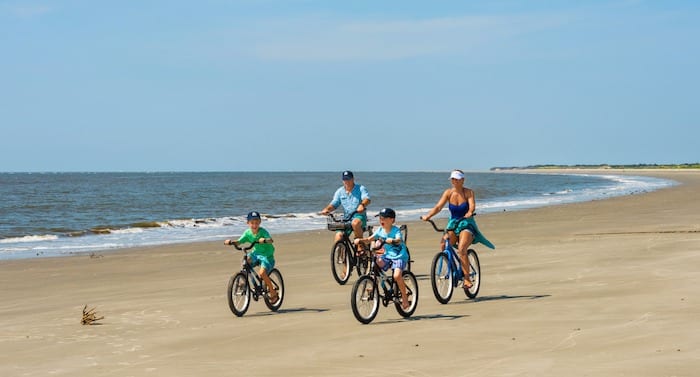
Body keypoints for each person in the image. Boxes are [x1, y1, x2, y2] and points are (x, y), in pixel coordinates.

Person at [420, 169, 495, 289]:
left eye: (456, 179)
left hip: (466, 223)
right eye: (452, 179)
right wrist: (428, 216)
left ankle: (467, 279)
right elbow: (438, 207)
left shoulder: (468, 192)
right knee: (443, 245)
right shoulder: (448, 193)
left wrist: (470, 212)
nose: (454, 181)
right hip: (453, 223)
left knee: (462, 248)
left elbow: (472, 206)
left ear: (462, 180)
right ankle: (451, 265)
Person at [354, 208, 410, 309]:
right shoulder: (380, 230)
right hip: (387, 255)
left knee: (397, 276)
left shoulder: (395, 230)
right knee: (376, 262)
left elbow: (398, 240)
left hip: (399, 256)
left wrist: (392, 240)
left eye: (384, 218)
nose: (381, 220)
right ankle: (375, 286)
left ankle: (405, 297)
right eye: (380, 218)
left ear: (392, 220)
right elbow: (369, 239)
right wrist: (360, 240)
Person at [224, 211, 279, 304]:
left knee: (262, 273)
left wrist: (264, 240)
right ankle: (243, 280)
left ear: (260, 222)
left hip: (267, 256)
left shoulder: (263, 232)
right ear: (248, 223)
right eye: (252, 223)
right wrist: (231, 242)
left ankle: (273, 291)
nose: (254, 225)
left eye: (256, 223)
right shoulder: (247, 233)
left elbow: (271, 240)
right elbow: (239, 241)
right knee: (246, 261)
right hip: (256, 254)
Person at [320, 170, 371, 245]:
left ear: (353, 179)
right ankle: (340, 254)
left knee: (355, 223)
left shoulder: (361, 188)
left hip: (359, 216)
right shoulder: (340, 191)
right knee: (339, 236)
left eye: (348, 179)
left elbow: (367, 199)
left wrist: (362, 205)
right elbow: (334, 203)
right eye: (345, 179)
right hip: (346, 218)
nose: (347, 181)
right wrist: (327, 209)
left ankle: (360, 246)